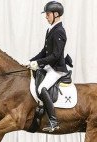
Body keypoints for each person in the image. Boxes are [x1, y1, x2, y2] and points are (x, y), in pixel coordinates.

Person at [26, 1, 68, 132]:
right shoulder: (51, 29)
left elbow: (56, 55)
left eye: (48, 14)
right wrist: (30, 61)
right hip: (49, 66)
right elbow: (44, 52)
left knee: (42, 88)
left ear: (56, 14)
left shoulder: (59, 31)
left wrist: (38, 63)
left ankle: (54, 121)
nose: (46, 16)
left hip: (57, 69)